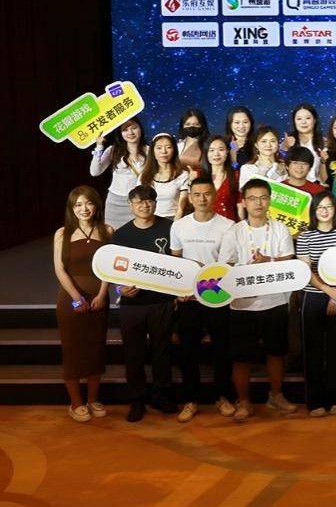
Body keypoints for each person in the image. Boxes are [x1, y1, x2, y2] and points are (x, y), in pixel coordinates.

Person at [218, 179, 297, 422]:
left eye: (263, 197)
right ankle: (244, 401)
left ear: (270, 200)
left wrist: (268, 261)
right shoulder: (235, 231)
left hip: (275, 300)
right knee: (241, 356)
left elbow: (289, 261)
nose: (258, 203)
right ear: (244, 201)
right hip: (242, 303)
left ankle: (276, 395)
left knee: (276, 352)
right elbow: (224, 266)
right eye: (252, 198)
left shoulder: (280, 229)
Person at [170, 176, 235, 422]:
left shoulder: (228, 226)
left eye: (207, 194)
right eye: (196, 194)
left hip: (217, 296)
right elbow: (175, 261)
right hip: (188, 299)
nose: (202, 199)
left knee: (222, 349)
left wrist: (205, 280)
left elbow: (227, 265)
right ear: (190, 198)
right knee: (188, 350)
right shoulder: (179, 226)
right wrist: (179, 290)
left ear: (215, 195)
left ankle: (222, 397)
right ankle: (191, 400)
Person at [112, 185, 178, 421]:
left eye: (149, 201)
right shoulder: (121, 235)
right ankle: (137, 400)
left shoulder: (170, 228)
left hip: (162, 302)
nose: (144, 205)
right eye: (139, 201)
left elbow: (178, 263)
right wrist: (120, 288)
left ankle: (161, 396)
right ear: (130, 205)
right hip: (132, 304)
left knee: (162, 352)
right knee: (134, 354)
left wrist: (176, 293)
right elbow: (114, 269)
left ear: (155, 203)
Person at [54, 186, 111, 422]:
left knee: (95, 349)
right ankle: (76, 403)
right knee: (73, 349)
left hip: (99, 298)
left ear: (96, 205)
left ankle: (93, 400)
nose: (84, 209)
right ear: (72, 208)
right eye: (78, 204)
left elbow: (111, 267)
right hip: (70, 299)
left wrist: (102, 294)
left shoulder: (107, 231)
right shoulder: (62, 233)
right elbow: (60, 269)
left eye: (88, 203)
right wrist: (77, 298)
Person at [296, 190, 336, 417]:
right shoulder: (305, 236)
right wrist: (328, 291)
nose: (324, 211)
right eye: (320, 207)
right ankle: (315, 401)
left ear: (335, 209)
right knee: (313, 349)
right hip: (314, 295)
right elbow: (305, 270)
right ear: (313, 211)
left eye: (329, 207)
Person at [89, 118, 148, 227]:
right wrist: (99, 146)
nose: (130, 132)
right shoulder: (113, 150)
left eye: (134, 128)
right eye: (125, 130)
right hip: (115, 202)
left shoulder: (150, 151)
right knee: (112, 234)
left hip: (140, 201)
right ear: (120, 133)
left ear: (140, 129)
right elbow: (95, 172)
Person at [139, 132, 189, 220]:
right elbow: (139, 201)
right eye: (159, 148)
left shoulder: (183, 175)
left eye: (168, 147)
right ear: (152, 151)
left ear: (174, 150)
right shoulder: (144, 175)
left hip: (174, 218)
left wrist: (174, 224)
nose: (164, 151)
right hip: (149, 218)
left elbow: (181, 207)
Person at [204, 135, 241, 221]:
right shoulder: (199, 175)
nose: (216, 154)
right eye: (211, 150)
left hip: (229, 224)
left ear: (227, 151)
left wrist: (241, 226)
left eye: (221, 150)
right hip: (205, 224)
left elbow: (240, 204)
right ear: (206, 153)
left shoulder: (236, 175)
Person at [285, 103, 324, 183]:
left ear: (314, 120)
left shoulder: (324, 143)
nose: (303, 122)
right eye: (299, 119)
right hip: (293, 187)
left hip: (316, 186)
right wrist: (288, 148)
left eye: (308, 118)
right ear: (294, 121)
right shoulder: (287, 142)